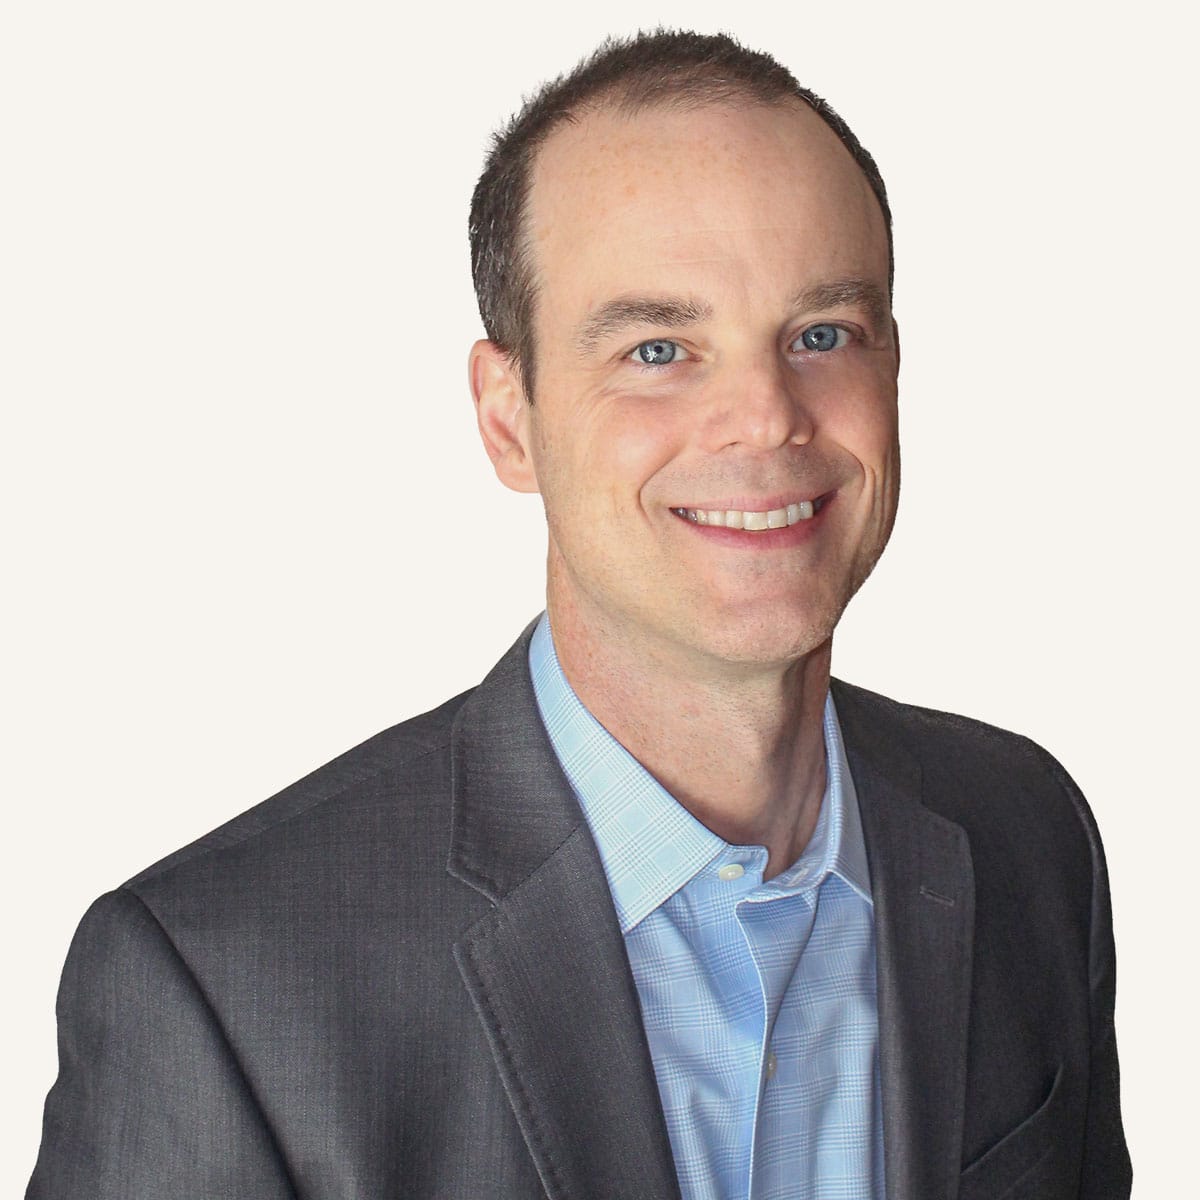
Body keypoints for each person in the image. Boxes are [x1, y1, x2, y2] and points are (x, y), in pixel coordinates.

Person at [27, 29, 1131, 1200]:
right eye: (660, 349)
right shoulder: (221, 986)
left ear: (891, 366)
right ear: (510, 419)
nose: (765, 418)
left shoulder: (1026, 837)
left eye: (821, 336)